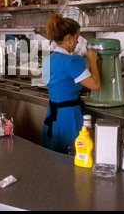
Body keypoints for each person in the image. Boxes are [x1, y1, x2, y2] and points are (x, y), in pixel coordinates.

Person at [41, 14, 100, 155]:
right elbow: (96, 85)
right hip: (68, 116)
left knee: (53, 158)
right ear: (68, 38)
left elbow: (64, 83)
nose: (77, 42)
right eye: (76, 37)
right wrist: (93, 61)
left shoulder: (48, 60)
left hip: (52, 115)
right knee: (73, 158)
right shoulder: (71, 62)